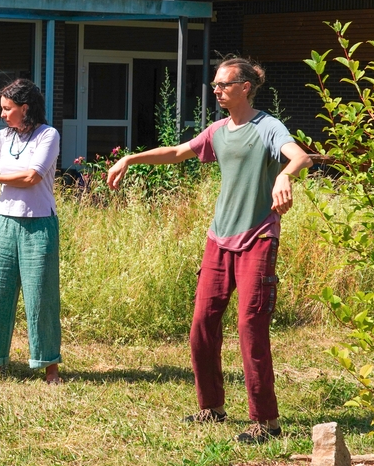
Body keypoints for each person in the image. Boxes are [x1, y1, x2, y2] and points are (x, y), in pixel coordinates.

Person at [107, 57, 313, 443]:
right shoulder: (218, 130)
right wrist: (130, 158)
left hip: (257, 237)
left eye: (223, 84)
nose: (216, 90)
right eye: (215, 84)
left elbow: (300, 155)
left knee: (250, 327)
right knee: (202, 324)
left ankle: (266, 421)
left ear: (245, 87)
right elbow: (176, 152)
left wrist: (285, 175)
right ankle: (212, 407)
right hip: (218, 238)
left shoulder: (267, 127)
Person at [0, 78, 63, 384]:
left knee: (42, 296)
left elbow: (32, 178)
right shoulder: (1, 137)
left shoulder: (48, 135)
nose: (2, 114)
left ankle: (49, 366)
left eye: (7, 108)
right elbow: (18, 176)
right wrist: (0, 178)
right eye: (2, 108)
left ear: (25, 108)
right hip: (4, 221)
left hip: (39, 223)